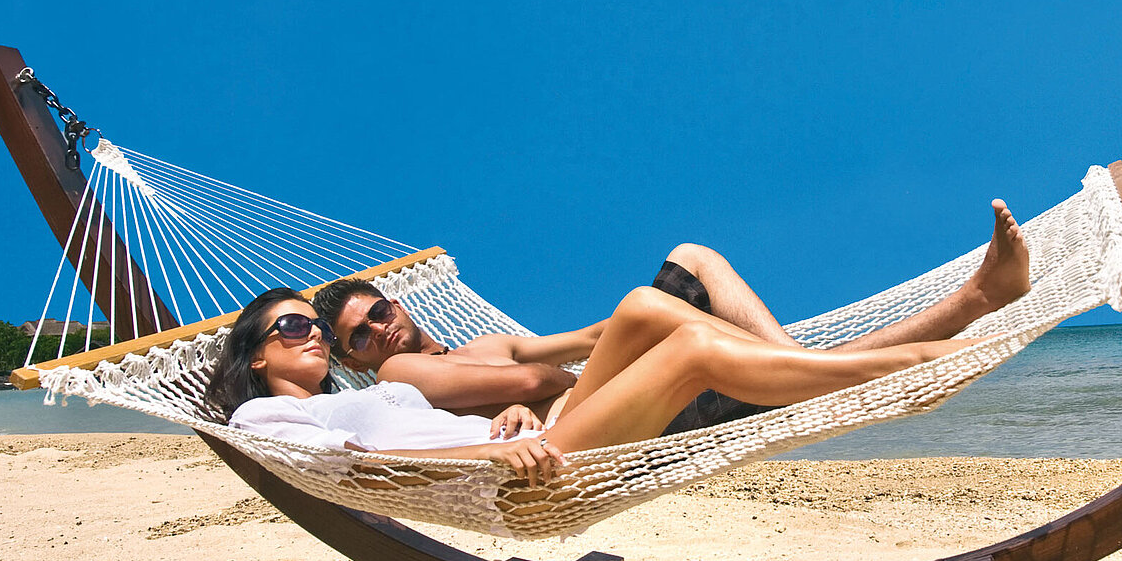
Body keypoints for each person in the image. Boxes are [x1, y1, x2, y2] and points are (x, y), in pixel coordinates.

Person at [313, 200, 1033, 434]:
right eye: (359, 338)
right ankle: (965, 307)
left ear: (395, 300)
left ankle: (978, 298)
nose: (378, 331)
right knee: (644, 306)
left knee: (689, 261)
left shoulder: (482, 342)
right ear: (352, 361)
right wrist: (535, 390)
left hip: (610, 392)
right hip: (589, 431)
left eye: (375, 312)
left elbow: (588, 339)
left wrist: (665, 313)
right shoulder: (400, 374)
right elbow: (534, 383)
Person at [213, 286, 989, 485]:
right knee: (691, 347)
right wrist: (490, 453)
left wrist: (510, 414)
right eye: (294, 326)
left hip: (532, 435)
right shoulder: (262, 416)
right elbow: (367, 466)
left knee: (650, 307)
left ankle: (855, 368)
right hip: (521, 472)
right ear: (255, 359)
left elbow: (555, 364)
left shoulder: (349, 396)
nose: (312, 333)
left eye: (313, 325)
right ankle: (896, 370)